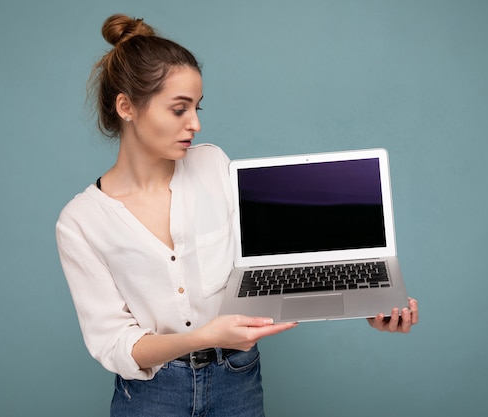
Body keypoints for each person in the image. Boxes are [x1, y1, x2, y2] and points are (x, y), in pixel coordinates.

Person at [56, 13, 419, 417]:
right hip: (152, 395)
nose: (195, 123)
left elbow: (274, 262)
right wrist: (201, 338)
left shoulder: (213, 166)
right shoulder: (80, 222)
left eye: (197, 106)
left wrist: (363, 303)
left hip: (237, 379)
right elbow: (115, 343)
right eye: (179, 109)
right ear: (126, 106)